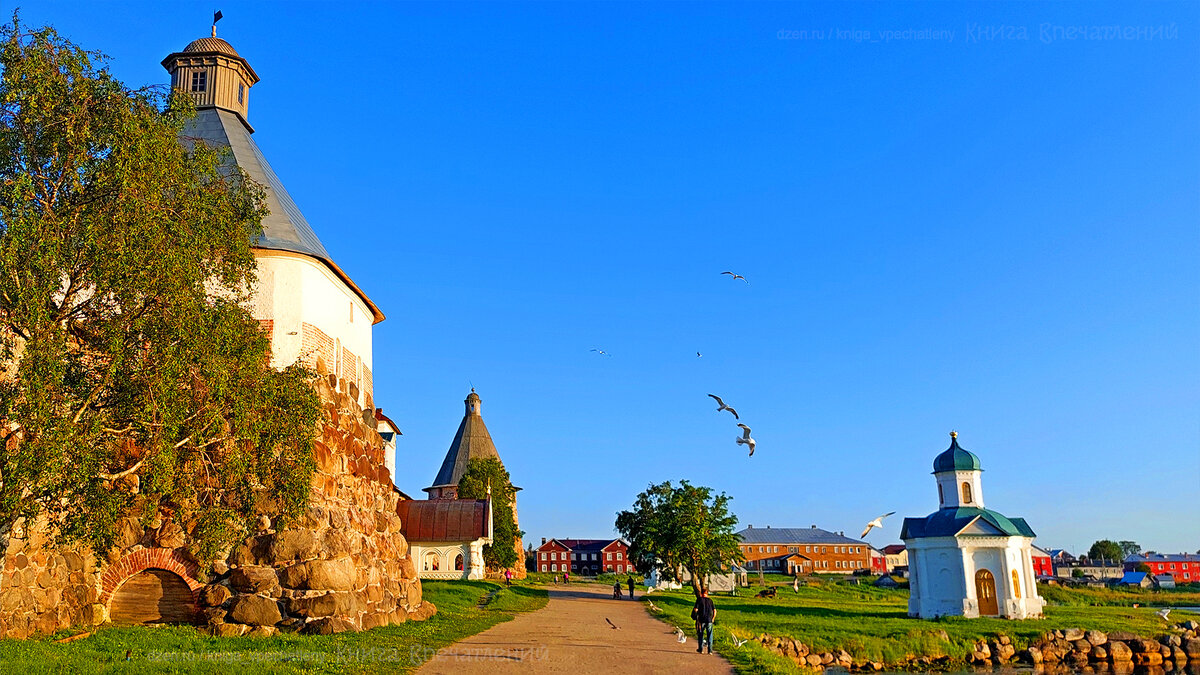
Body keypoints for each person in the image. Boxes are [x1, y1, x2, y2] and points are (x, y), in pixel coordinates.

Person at [690, 588, 716, 654]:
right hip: (709, 620)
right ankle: (710, 650)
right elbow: (715, 610)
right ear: (707, 593)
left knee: (700, 635)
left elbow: (696, 609)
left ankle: (701, 649)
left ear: (701, 593)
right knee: (710, 635)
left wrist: (695, 617)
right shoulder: (710, 601)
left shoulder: (699, 600)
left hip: (701, 620)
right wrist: (713, 618)